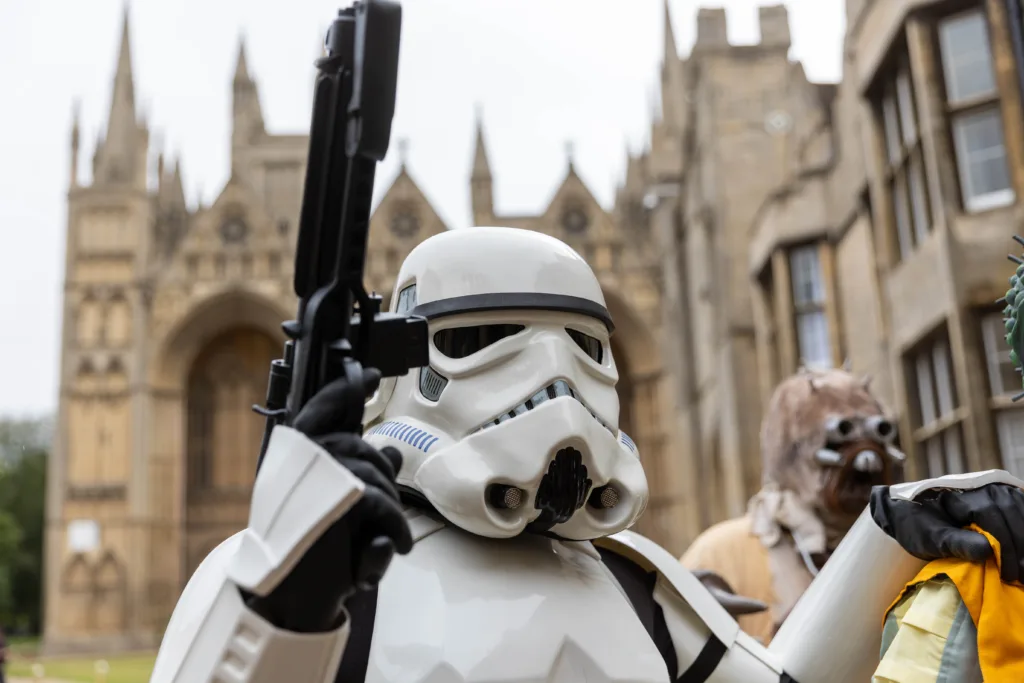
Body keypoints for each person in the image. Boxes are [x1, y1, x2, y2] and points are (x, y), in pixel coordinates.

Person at [148, 228, 1024, 683]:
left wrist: (895, 529)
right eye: (490, 339)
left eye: (584, 347)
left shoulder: (632, 583)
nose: (554, 383)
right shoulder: (313, 579)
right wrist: (279, 613)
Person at [680, 367, 904, 643]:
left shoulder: (903, 546)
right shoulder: (719, 554)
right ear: (791, 452)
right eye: (838, 440)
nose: (865, 461)